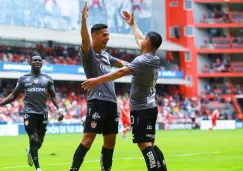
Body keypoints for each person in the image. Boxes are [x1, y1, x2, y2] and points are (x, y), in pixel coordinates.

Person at [82, 10, 167, 171]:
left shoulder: (142, 60)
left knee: (144, 144)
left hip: (141, 109)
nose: (141, 39)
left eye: (144, 39)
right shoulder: (153, 58)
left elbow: (120, 72)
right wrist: (133, 24)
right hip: (150, 106)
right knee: (152, 144)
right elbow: (139, 38)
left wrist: (97, 80)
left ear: (148, 42)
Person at [70, 2, 126, 171]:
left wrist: (140, 67)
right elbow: (84, 39)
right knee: (88, 139)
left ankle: (105, 169)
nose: (107, 37)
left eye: (108, 35)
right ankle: (73, 169)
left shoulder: (107, 56)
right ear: (95, 36)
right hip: (97, 101)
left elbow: (124, 65)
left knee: (110, 142)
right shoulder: (89, 54)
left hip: (111, 103)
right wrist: (83, 21)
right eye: (104, 35)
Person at [0, 53, 64, 171]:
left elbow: (53, 96)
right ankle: (38, 168)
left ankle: (30, 151)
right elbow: (14, 95)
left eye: (39, 60)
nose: (37, 62)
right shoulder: (23, 78)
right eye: (35, 60)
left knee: (39, 141)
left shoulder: (48, 79)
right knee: (33, 138)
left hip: (43, 114)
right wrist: (1, 104)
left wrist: (59, 109)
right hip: (29, 113)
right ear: (30, 63)